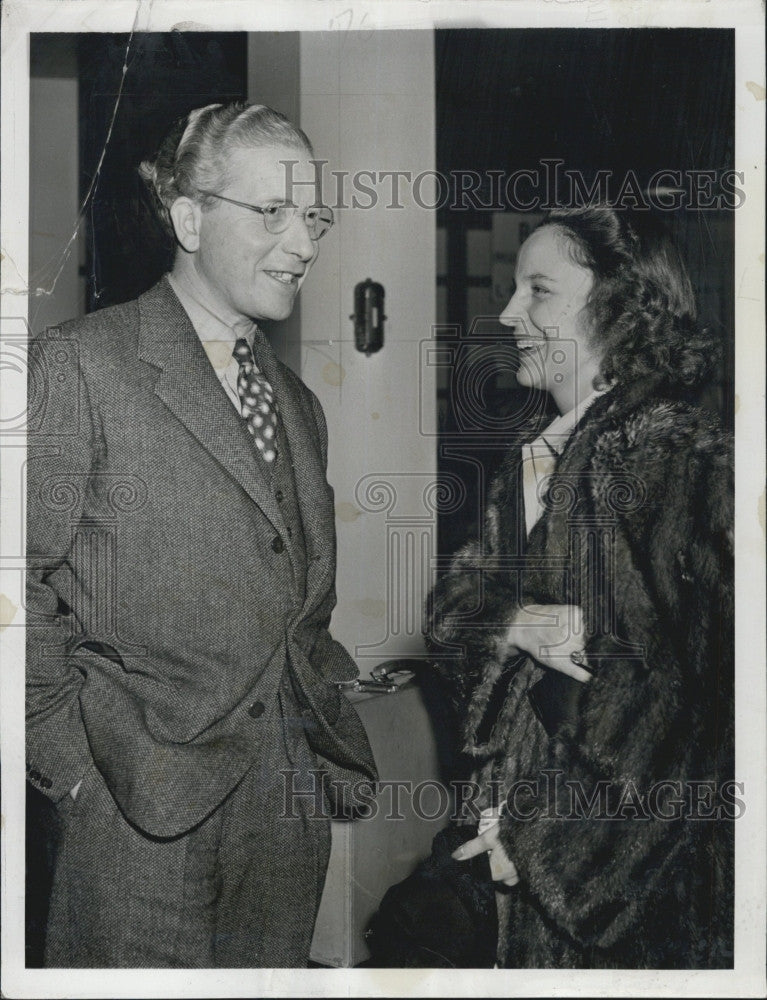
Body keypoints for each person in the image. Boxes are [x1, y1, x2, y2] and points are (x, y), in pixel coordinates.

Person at [25, 101, 377, 968]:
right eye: (274, 213)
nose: (304, 243)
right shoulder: (80, 364)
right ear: (188, 218)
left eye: (315, 218)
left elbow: (300, 606)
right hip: (134, 817)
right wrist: (72, 771)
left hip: (286, 820)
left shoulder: (298, 407)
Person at [426, 206, 734, 968]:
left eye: (537, 291)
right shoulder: (531, 455)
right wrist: (515, 622)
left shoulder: (665, 450)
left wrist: (541, 841)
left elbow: (691, 701)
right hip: (516, 836)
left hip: (630, 885)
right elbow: (447, 614)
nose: (506, 314)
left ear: (619, 306)